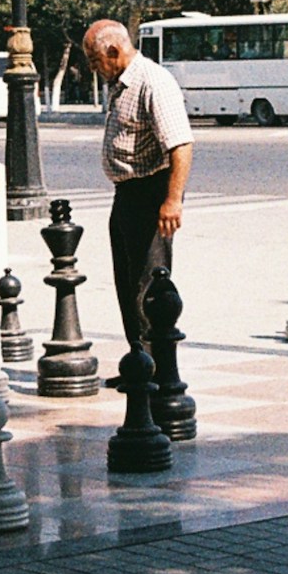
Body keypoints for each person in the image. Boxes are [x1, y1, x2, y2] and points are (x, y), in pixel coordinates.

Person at [82, 19, 194, 348]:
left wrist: (172, 200)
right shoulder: (121, 83)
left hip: (151, 192)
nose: (94, 68)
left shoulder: (153, 81)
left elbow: (181, 144)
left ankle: (158, 368)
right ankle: (138, 358)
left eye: (94, 60)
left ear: (114, 51)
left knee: (150, 282)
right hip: (127, 194)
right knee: (128, 281)